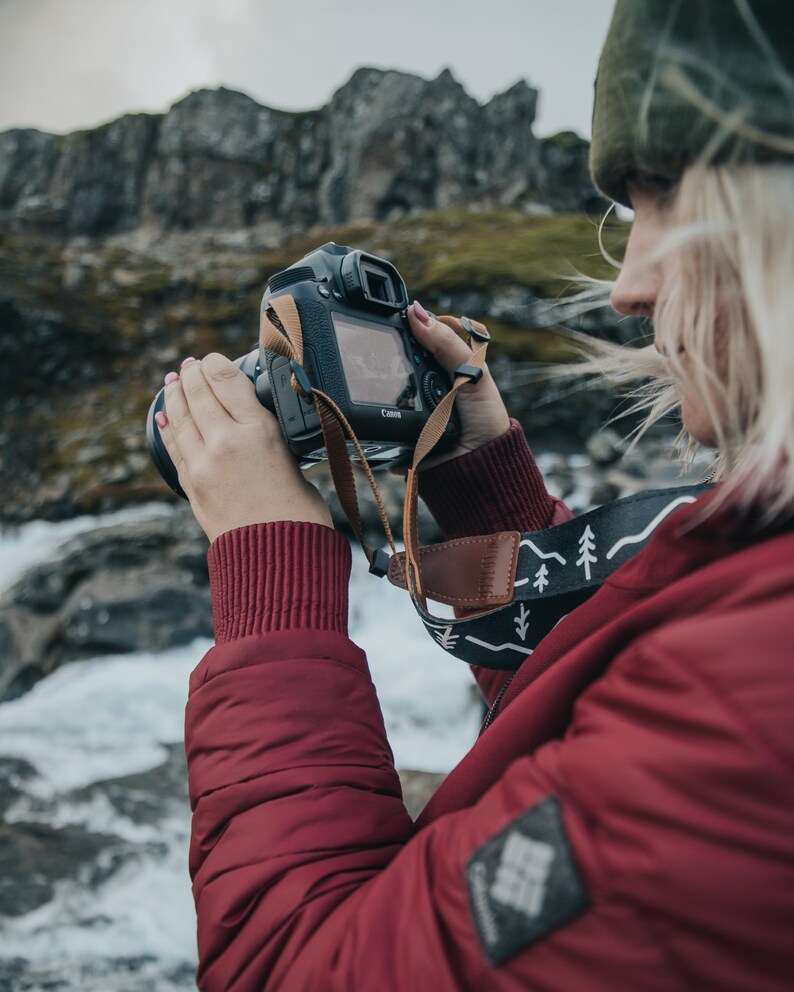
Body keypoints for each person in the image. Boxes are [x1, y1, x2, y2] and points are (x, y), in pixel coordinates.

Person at [153, 1, 794, 988]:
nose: (628, 285)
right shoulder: (754, 585)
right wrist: (484, 483)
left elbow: (298, 968)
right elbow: (594, 702)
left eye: (670, 196)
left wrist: (271, 575)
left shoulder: (744, 706)